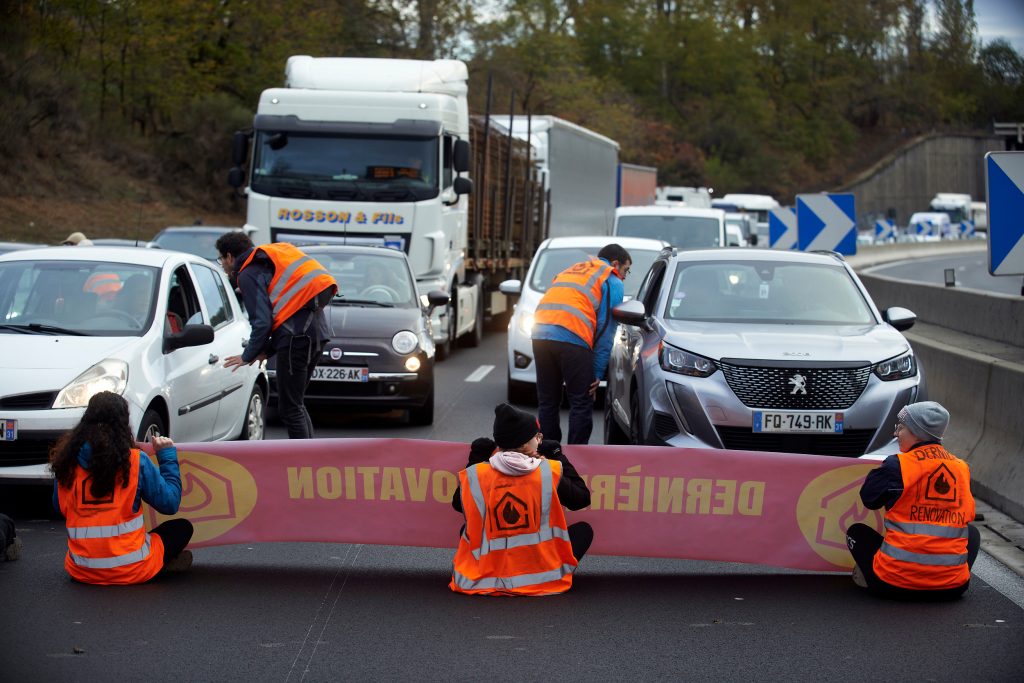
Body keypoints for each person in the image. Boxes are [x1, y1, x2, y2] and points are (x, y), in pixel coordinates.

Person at [50, 391, 194, 585]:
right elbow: (170, 503)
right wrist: (167, 456)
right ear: (124, 425)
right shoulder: (135, 461)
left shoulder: (67, 462)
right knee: (182, 528)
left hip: (82, 570)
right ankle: (160, 563)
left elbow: (59, 507)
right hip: (134, 569)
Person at [450, 403, 593, 596]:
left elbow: (458, 505)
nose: (540, 440)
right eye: (538, 436)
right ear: (526, 444)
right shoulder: (548, 471)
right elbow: (581, 499)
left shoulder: (478, 474)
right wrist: (560, 457)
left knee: (467, 530)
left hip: (484, 577)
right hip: (543, 576)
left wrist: (476, 458)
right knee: (584, 530)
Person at [846, 401, 980, 600]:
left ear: (917, 432)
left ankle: (872, 577)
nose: (896, 433)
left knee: (855, 532)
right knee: (972, 533)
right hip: (952, 589)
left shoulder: (897, 465)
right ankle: (947, 576)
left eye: (901, 427)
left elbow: (869, 499)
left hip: (892, 584)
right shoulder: (961, 468)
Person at [216, 232, 337, 439]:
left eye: (221, 259)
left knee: (290, 408)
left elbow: (262, 322)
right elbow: (289, 315)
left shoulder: (248, 273)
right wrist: (267, 350)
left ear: (229, 257)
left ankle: (304, 464)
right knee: (295, 404)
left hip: (297, 340)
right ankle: (311, 459)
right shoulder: (269, 261)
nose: (223, 265)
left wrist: (248, 355)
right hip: (316, 334)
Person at [531, 243, 632, 444]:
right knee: (581, 400)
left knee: (548, 401)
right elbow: (606, 329)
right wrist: (596, 372)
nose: (624, 276)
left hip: (540, 333)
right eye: (625, 270)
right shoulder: (610, 278)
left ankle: (549, 455)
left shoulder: (573, 270)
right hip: (572, 334)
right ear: (615, 263)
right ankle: (576, 459)